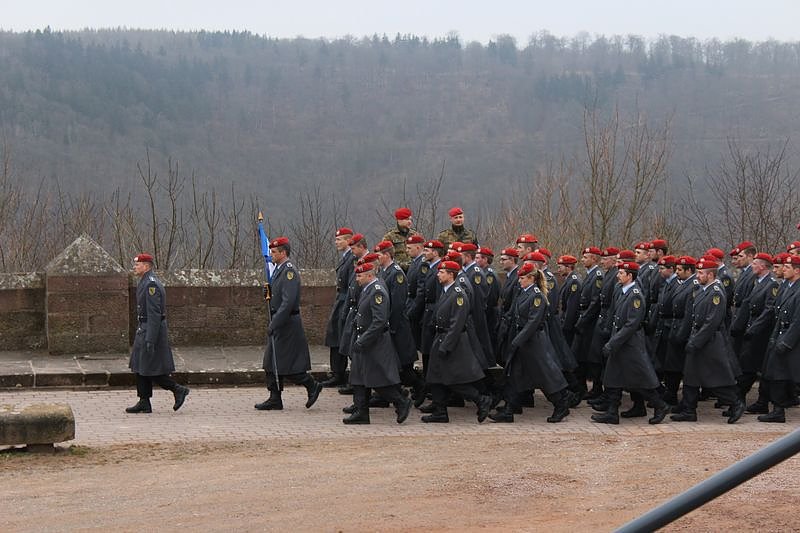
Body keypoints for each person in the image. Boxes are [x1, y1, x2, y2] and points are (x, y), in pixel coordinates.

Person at [489, 263, 571, 423]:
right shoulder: (523, 292)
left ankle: (561, 404)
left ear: (532, 278)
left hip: (533, 342)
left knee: (544, 376)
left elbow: (533, 322)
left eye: (522, 278)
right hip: (522, 340)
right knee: (514, 375)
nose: (519, 281)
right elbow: (514, 314)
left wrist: (517, 340)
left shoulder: (537, 296)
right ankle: (509, 410)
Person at [591, 261, 669, 425]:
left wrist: (613, 343)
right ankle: (612, 412)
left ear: (629, 276)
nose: (618, 276)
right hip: (620, 342)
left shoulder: (635, 295)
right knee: (613, 377)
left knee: (639, 378)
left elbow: (631, 325)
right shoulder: (621, 290)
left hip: (629, 344)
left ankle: (660, 405)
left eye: (621, 273)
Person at [671, 258, 745, 424]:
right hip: (698, 337)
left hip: (709, 341)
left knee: (714, 377)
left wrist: (696, 341)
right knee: (691, 375)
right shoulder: (702, 289)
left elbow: (712, 322)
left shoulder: (716, 292)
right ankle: (689, 409)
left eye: (701, 273)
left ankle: (736, 403)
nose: (697, 276)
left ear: (710, 275)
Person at [255, 237, 323, 411]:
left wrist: (275, 322)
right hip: (280, 321)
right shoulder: (279, 270)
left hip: (287, 323)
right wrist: (269, 293)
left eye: (274, 252)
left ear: (283, 252)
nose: (271, 255)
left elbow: (288, 302)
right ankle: (275, 397)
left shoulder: (289, 271)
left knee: (288, 365)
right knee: (271, 362)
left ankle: (312, 385)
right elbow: (279, 295)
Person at [422, 260, 492, 423]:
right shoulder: (446, 291)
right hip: (440, 337)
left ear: (451, 274)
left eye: (442, 272)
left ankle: (481, 400)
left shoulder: (458, 294)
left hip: (452, 341)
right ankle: (440, 411)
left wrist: (446, 345)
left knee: (453, 379)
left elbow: (457, 323)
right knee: (435, 377)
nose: (438, 275)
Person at [343, 262, 412, 425]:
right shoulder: (368, 289)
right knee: (358, 377)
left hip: (375, 341)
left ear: (369, 275)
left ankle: (401, 402)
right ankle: (361, 411)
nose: (357, 279)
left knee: (377, 379)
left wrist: (364, 340)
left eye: (360, 276)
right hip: (364, 339)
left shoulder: (377, 291)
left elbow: (379, 321)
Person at [126, 253, 190, 414]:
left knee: (151, 368)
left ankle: (177, 389)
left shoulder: (151, 285)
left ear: (146, 266)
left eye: (137, 264)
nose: (135, 267)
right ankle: (144, 401)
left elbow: (154, 314)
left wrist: (151, 339)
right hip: (144, 327)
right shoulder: (145, 281)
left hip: (150, 329)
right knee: (141, 366)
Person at [760, 255, 800, 422]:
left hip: (792, 340)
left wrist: (786, 343)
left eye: (787, 267)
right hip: (781, 334)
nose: (783, 269)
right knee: (777, 374)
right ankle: (778, 410)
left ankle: (779, 410)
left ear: (797, 271)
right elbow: (779, 315)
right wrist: (774, 337)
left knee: (786, 375)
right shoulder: (787, 286)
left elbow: (798, 321)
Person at [322, 227, 355, 388]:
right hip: (340, 300)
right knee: (335, 335)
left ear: (349, 240)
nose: (336, 242)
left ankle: (347, 375)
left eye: (339, 239)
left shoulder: (352, 259)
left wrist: (347, 306)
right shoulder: (345, 258)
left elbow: (351, 285)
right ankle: (337, 372)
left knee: (345, 337)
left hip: (345, 300)